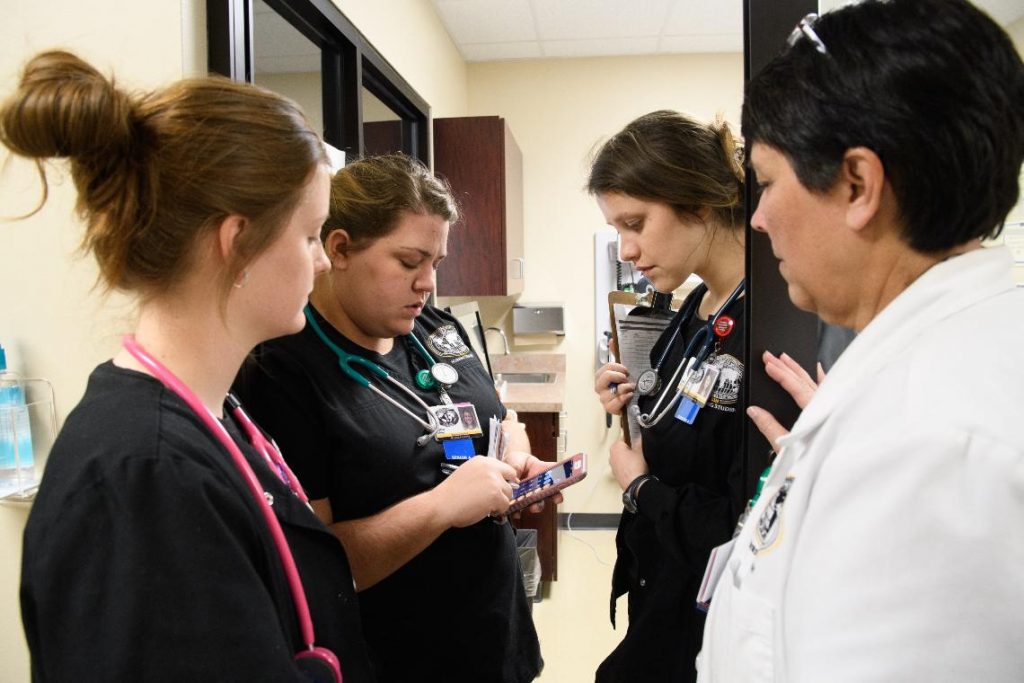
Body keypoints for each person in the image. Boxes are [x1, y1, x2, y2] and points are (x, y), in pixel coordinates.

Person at [2, 51, 376, 681]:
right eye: (311, 235)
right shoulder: (140, 478)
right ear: (237, 243)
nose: (320, 263)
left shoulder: (214, 414)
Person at [697, 1, 1024, 681]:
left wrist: (861, 458)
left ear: (856, 185)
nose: (757, 219)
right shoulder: (919, 387)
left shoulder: (927, 446)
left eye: (765, 181)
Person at [233, 153, 547, 683]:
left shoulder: (434, 326)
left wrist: (516, 459)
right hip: (397, 658)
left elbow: (500, 413)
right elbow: (312, 562)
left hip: (494, 636)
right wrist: (443, 506)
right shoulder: (283, 373)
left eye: (436, 264)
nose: (426, 283)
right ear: (339, 249)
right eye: (408, 262)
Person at [588, 110, 749, 682]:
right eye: (617, 231)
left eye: (636, 223)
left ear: (698, 203)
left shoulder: (767, 326)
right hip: (660, 578)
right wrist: (631, 401)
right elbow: (677, 407)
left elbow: (740, 525)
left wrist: (640, 486)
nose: (627, 250)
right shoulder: (693, 307)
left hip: (708, 610)